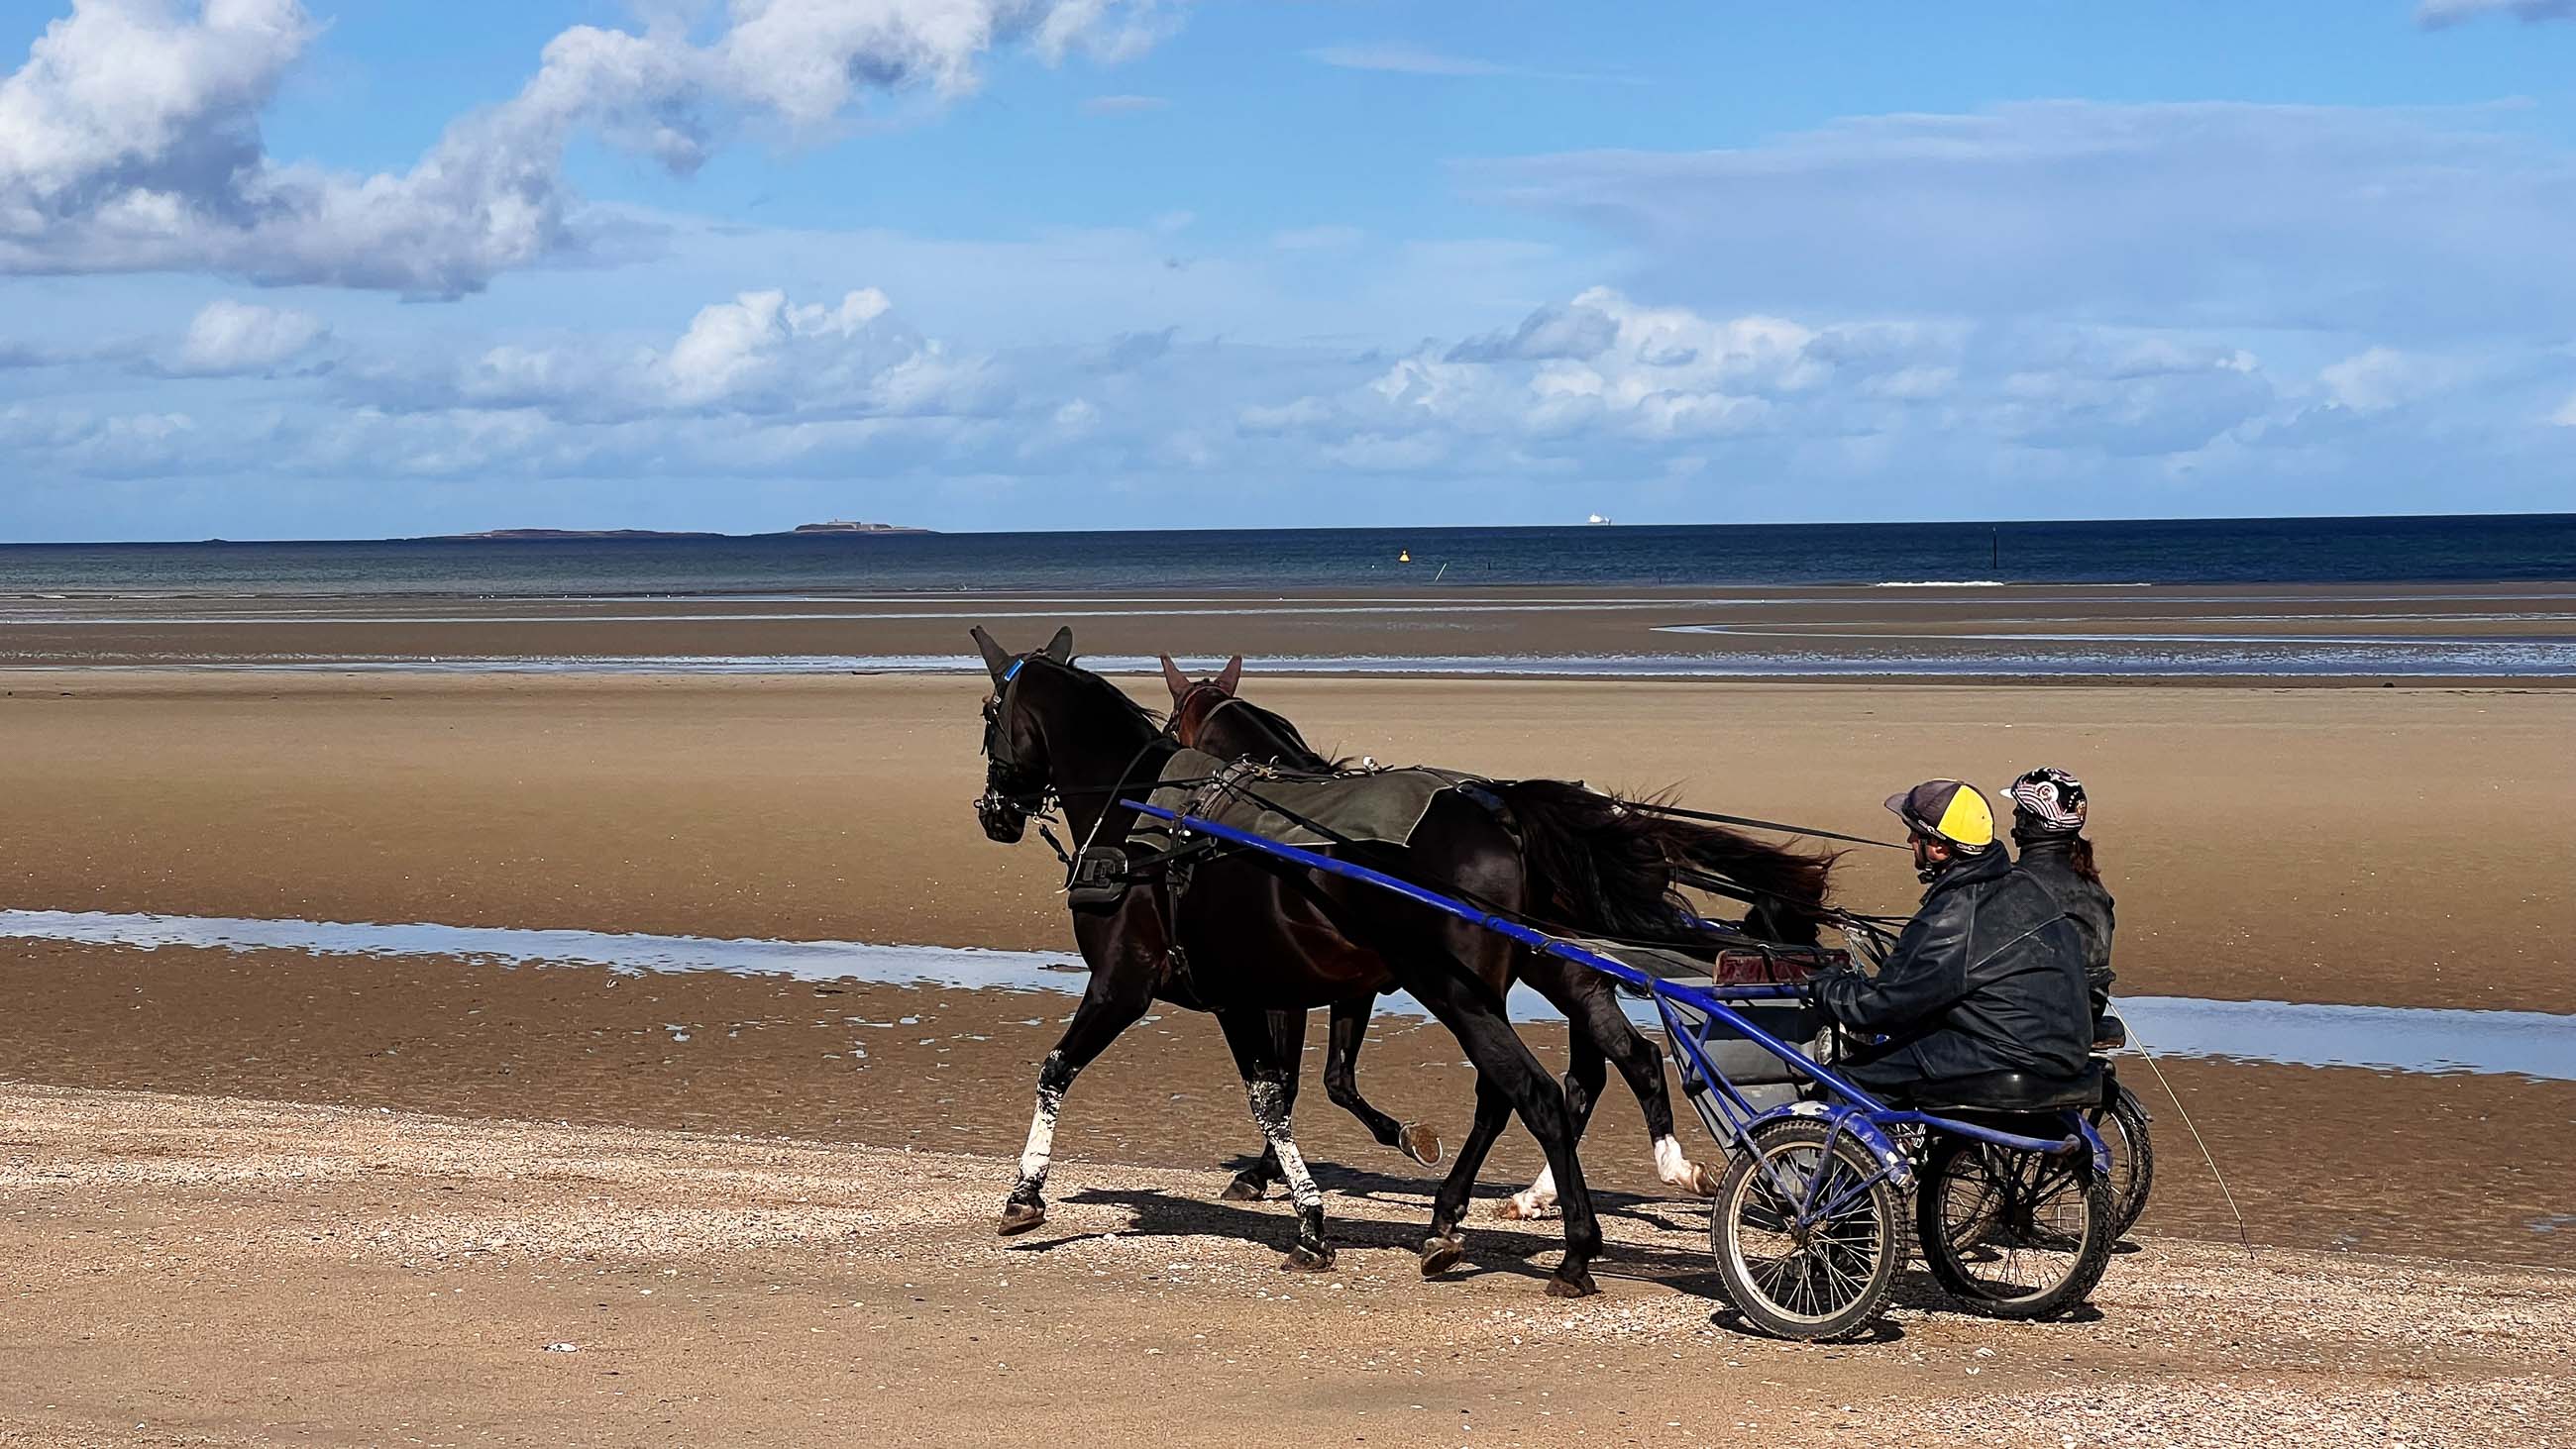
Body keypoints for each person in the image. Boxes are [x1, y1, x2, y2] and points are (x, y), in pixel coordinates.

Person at [1810, 778, 2093, 1098]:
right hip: (2065, 1046)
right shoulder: (2021, 883)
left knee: (1846, 1079)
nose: (1909, 840)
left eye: (1915, 834)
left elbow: (1885, 1004)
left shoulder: (1952, 914)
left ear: (1940, 848)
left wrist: (1827, 987)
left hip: (2009, 1054)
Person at [2006, 766, 2118, 1043]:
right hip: (2090, 1007)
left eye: (2020, 810)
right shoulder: (2089, 881)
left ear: (2033, 822)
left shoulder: (2019, 883)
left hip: (2041, 1013)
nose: (2014, 815)